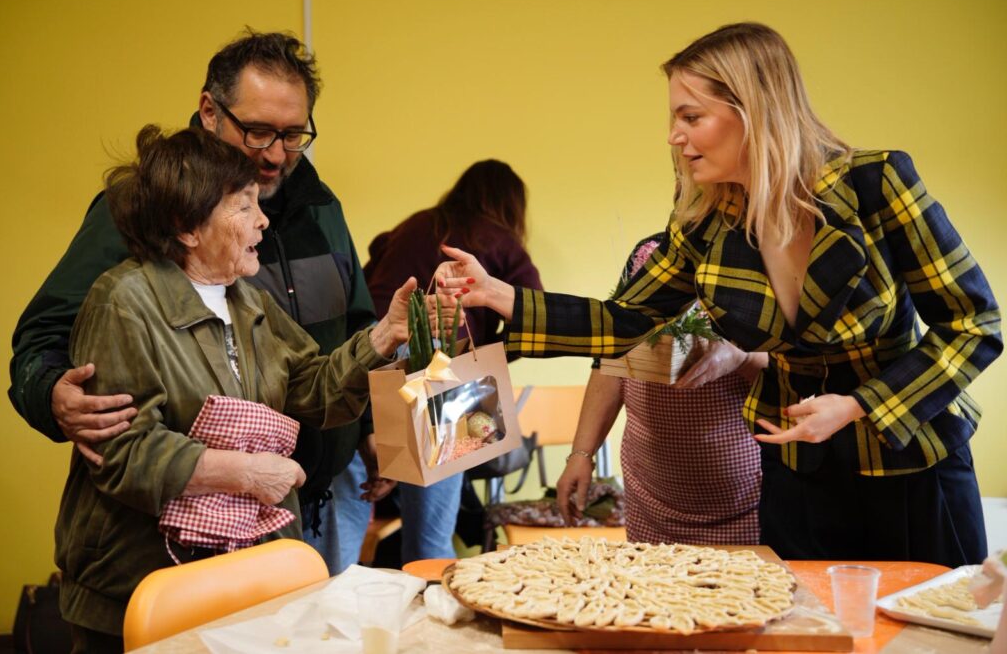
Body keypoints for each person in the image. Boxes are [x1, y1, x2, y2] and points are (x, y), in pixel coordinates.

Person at [437, 22, 1002, 567]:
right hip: (795, 474)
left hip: (910, 462)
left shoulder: (876, 183)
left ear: (754, 110)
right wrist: (503, 296)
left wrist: (857, 405)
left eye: (691, 117)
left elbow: (973, 323)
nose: (673, 136)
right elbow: (625, 322)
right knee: (805, 622)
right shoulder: (707, 224)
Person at [8, 30, 382, 574]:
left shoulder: (320, 208)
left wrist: (371, 427)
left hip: (305, 502)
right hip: (176, 536)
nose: (276, 154)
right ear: (210, 110)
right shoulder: (143, 209)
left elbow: (350, 328)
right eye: (258, 131)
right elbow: (48, 336)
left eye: (293, 134)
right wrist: (49, 394)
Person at [58, 125, 415, 649]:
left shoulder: (246, 299)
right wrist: (248, 474)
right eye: (244, 205)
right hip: (138, 582)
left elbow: (314, 390)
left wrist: (384, 336)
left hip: (238, 576)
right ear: (186, 227)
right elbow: (122, 452)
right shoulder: (124, 300)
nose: (263, 219)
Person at [362, 159, 543, 563]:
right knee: (430, 536)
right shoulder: (499, 239)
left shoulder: (413, 225)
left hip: (369, 356)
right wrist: (487, 360)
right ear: (510, 205)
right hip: (439, 368)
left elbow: (367, 279)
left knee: (358, 510)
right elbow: (534, 315)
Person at [556, 232, 762, 545]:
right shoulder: (649, 254)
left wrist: (741, 356)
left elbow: (793, 377)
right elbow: (611, 361)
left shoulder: (757, 259)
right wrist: (581, 453)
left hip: (742, 502)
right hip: (650, 501)